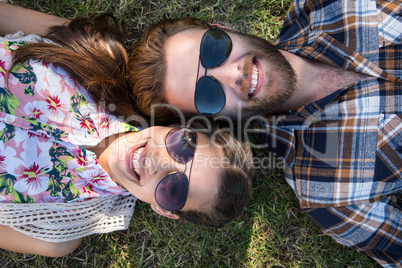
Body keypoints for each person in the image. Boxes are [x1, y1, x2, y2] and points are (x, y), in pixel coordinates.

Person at [127, 0, 402, 267]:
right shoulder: (330, 192)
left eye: (214, 48)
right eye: (207, 94)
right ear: (208, 122)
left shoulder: (326, 5)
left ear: (222, 27)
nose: (232, 74)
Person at [0, 6, 254, 257]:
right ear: (180, 126)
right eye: (183, 146)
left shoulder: (51, 231)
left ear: (163, 209)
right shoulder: (99, 54)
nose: (160, 163)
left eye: (175, 189)